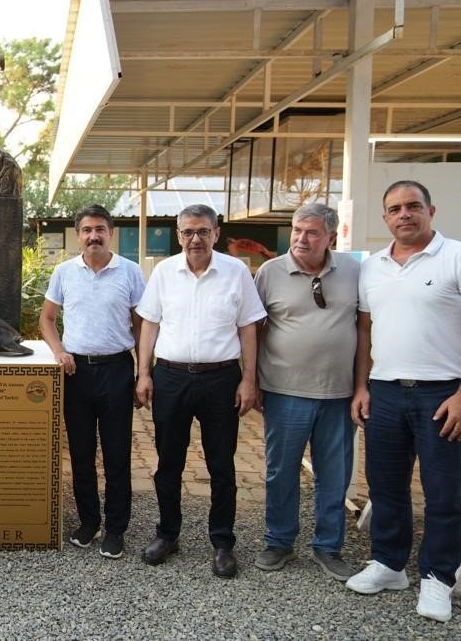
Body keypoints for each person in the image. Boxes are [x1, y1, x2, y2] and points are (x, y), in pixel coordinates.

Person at [347, 180, 461, 623]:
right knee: (386, 485)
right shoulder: (372, 267)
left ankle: (437, 577)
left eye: (413, 206)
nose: (404, 215)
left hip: (442, 392)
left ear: (431, 209)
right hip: (386, 391)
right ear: (385, 217)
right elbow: (364, 330)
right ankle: (390, 564)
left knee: (443, 491)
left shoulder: (454, 256)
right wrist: (362, 386)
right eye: (395, 208)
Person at [135, 203, 266, 578]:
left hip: (220, 379)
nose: (195, 239)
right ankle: (167, 534)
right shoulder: (163, 272)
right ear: (178, 235)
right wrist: (144, 374)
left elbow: (248, 328)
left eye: (203, 232)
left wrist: (249, 379)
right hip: (171, 378)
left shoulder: (236, 272)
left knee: (221, 465)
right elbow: (149, 326)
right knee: (168, 463)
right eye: (188, 232)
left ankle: (223, 542)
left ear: (216, 233)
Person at [253, 203, 360, 581]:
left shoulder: (354, 270)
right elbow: (254, 330)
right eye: (298, 230)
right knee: (280, 471)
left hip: (339, 393)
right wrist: (251, 380)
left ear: (331, 236)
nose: (301, 238)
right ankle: (279, 541)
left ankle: (328, 547)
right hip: (284, 391)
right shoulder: (270, 272)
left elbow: (364, 328)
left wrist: (362, 385)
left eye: (312, 232)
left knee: (334, 474)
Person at [39, 204, 145, 559]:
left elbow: (141, 325)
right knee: (82, 455)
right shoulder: (65, 272)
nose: (93, 236)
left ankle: (115, 529)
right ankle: (88, 523)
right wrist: (58, 351)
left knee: (117, 455)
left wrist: (144, 371)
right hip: (76, 373)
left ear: (110, 232)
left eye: (100, 229)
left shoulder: (130, 272)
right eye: (86, 230)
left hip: (116, 370)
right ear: (78, 235)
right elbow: (47, 320)